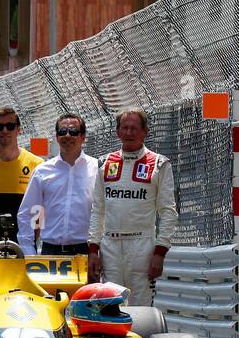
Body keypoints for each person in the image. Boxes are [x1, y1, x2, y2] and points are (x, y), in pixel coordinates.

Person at [88, 109, 178, 307]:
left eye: (134, 128)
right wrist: (93, 249)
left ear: (145, 131)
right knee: (110, 306)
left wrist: (160, 252)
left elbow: (168, 212)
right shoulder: (104, 163)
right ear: (117, 132)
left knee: (141, 309)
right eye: (124, 128)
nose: (129, 133)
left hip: (143, 246)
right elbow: (98, 210)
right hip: (110, 245)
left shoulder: (160, 164)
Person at [17, 113, 97, 256]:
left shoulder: (97, 169)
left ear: (83, 136)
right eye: (62, 132)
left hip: (86, 251)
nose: (67, 136)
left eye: (73, 132)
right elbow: (30, 212)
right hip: (51, 251)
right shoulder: (42, 171)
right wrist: (28, 250)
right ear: (56, 136)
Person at [0, 106, 42, 253]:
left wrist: (33, 238)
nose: (5, 131)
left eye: (10, 126)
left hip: (24, 244)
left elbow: (40, 208)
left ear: (18, 129)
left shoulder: (36, 164)